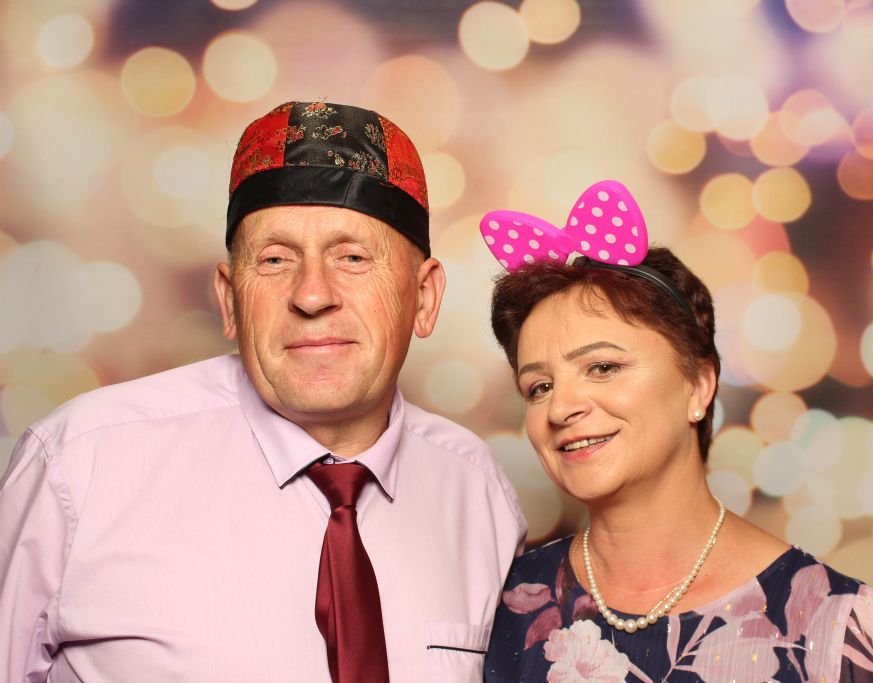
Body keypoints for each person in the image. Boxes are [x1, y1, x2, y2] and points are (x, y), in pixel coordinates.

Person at [0, 101, 526, 682]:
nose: (312, 294)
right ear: (230, 298)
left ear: (423, 298)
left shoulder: (478, 494)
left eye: (352, 257)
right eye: (274, 259)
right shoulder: (80, 465)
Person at [477, 180, 873, 682]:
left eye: (602, 368)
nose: (561, 407)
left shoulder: (832, 623)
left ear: (698, 386)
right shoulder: (501, 609)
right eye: (539, 387)